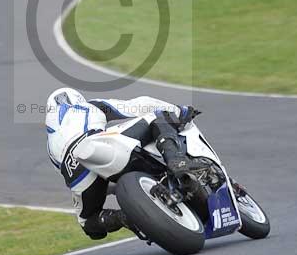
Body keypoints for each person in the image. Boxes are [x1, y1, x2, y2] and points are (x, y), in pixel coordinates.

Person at [44, 87, 205, 240]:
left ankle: (125, 218)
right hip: (97, 145)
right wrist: (180, 111)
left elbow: (74, 172)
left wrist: (111, 189)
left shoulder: (50, 146)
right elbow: (138, 105)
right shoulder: (88, 106)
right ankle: (177, 162)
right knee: (159, 116)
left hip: (76, 173)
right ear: (76, 99)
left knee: (88, 224)